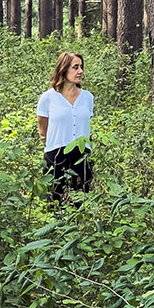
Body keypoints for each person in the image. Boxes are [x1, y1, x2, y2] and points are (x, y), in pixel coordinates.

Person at [36, 51, 93, 202]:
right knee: (54, 201)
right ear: (63, 69)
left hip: (82, 155)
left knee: (82, 201)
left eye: (81, 67)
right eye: (75, 67)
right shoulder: (47, 98)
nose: (80, 71)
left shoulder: (88, 97)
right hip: (56, 154)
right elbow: (43, 130)